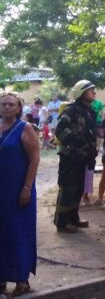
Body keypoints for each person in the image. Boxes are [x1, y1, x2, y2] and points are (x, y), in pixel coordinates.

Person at [0, 92, 40, 297]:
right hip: (1, 191)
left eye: (10, 104)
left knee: (18, 234)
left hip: (18, 191)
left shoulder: (24, 128)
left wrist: (26, 188)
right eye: (3, 104)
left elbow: (34, 159)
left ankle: (22, 281)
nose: (6, 107)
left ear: (18, 108)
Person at [53, 80, 98, 233]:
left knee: (79, 188)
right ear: (81, 93)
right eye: (91, 90)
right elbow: (60, 130)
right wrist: (76, 142)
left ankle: (73, 218)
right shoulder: (71, 110)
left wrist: (91, 151)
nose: (94, 93)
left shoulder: (90, 111)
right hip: (70, 157)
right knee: (68, 188)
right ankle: (62, 222)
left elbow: (91, 133)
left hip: (83, 158)